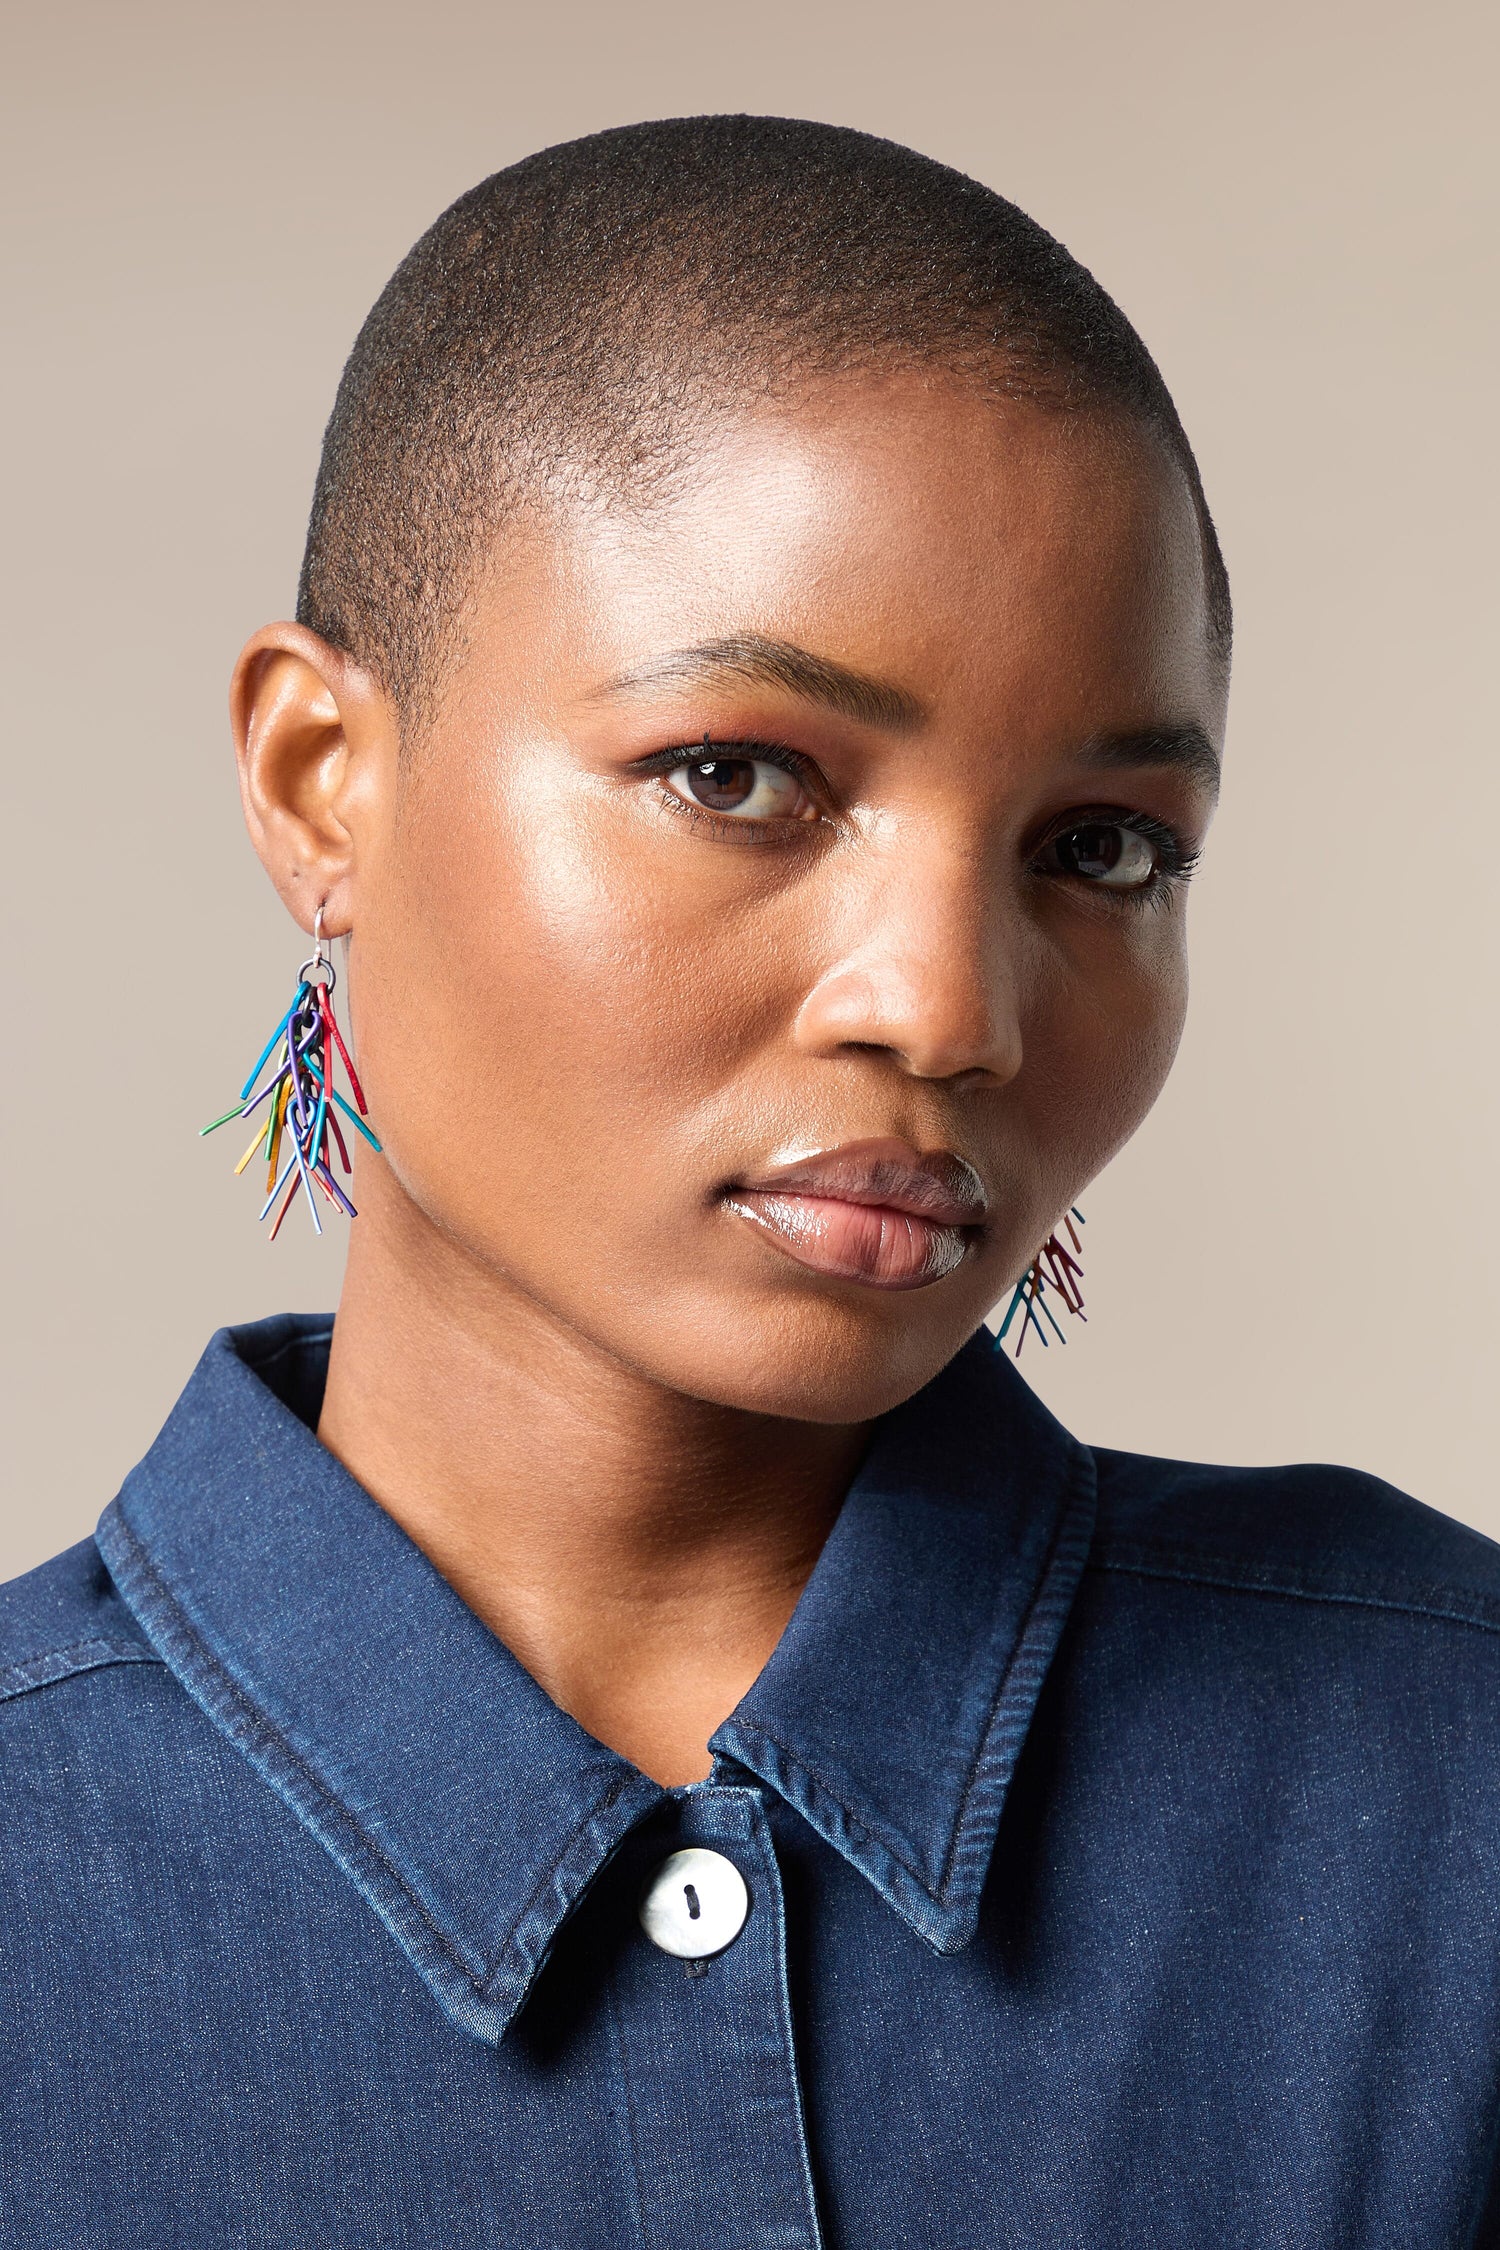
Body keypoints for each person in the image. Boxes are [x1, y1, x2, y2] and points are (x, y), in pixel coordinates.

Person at [1, 115, 1495, 2247]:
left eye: (1101, 850)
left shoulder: (1452, 1781)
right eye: (741, 778)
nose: (949, 1008)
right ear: (320, 784)